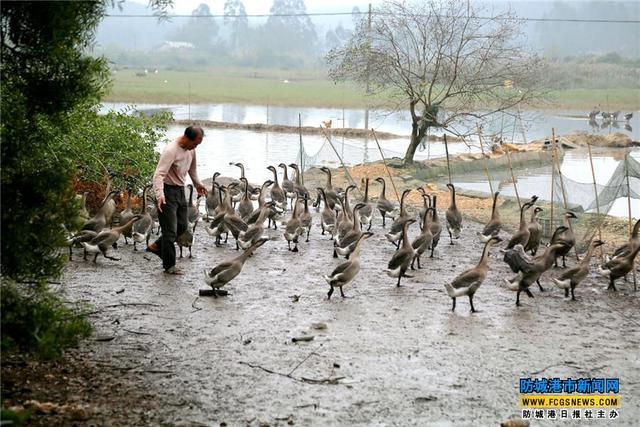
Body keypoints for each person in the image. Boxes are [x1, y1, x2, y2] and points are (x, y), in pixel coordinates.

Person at [147, 126, 207, 274]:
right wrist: (160, 194)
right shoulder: (171, 151)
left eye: (198, 144)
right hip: (167, 192)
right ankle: (169, 266)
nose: (196, 147)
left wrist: (198, 183)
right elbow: (158, 175)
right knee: (170, 232)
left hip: (180, 191)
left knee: (182, 226)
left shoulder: (191, 150)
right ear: (186, 138)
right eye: (195, 143)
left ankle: (156, 246)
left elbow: (192, 170)